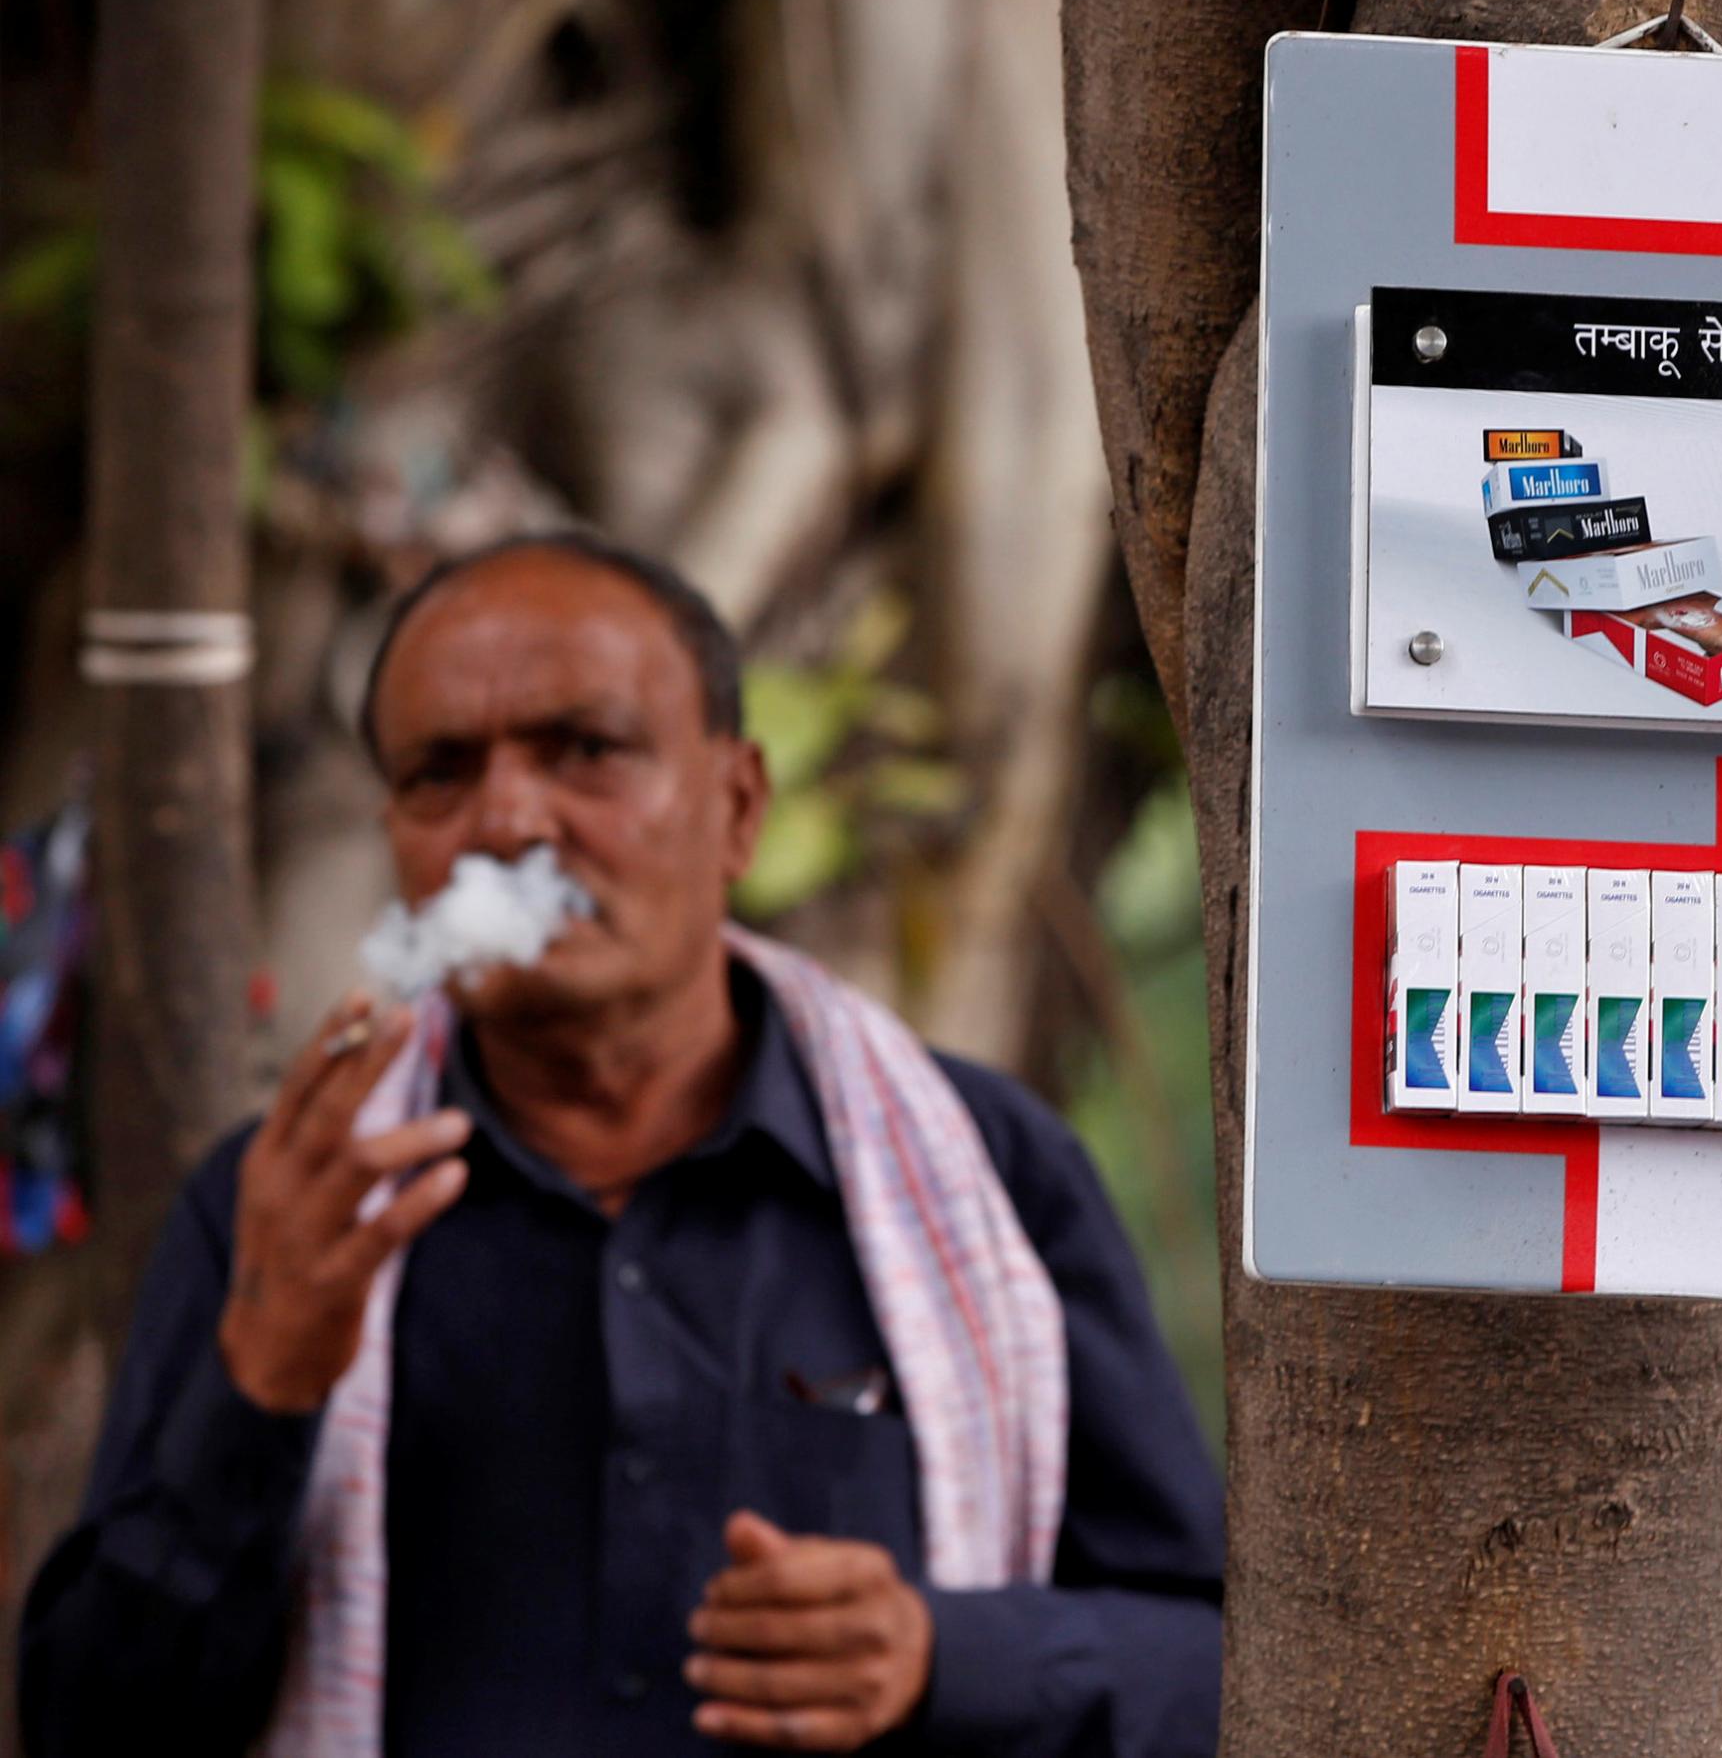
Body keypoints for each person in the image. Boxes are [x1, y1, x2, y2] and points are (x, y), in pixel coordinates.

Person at [20, 533, 1223, 1756]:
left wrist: (942, 1655)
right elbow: (88, 1728)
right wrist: (260, 1388)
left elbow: (1210, 1669)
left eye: (585, 750)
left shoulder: (987, 1174)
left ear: (738, 807)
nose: (505, 821)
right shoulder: (296, 1206)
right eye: (440, 773)